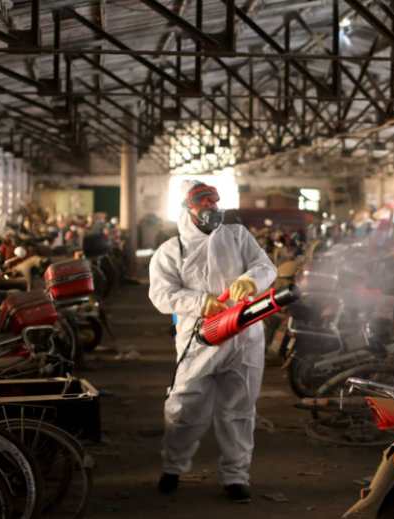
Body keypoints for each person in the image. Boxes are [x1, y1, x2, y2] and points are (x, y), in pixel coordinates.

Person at [148, 181, 276, 504]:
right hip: (200, 339)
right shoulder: (171, 250)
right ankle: (173, 467)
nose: (210, 207)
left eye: (213, 201)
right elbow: (161, 294)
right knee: (184, 407)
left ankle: (236, 476)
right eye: (201, 202)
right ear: (187, 208)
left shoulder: (238, 236)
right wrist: (198, 302)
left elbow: (265, 266)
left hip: (244, 337)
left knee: (239, 410)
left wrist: (251, 280)